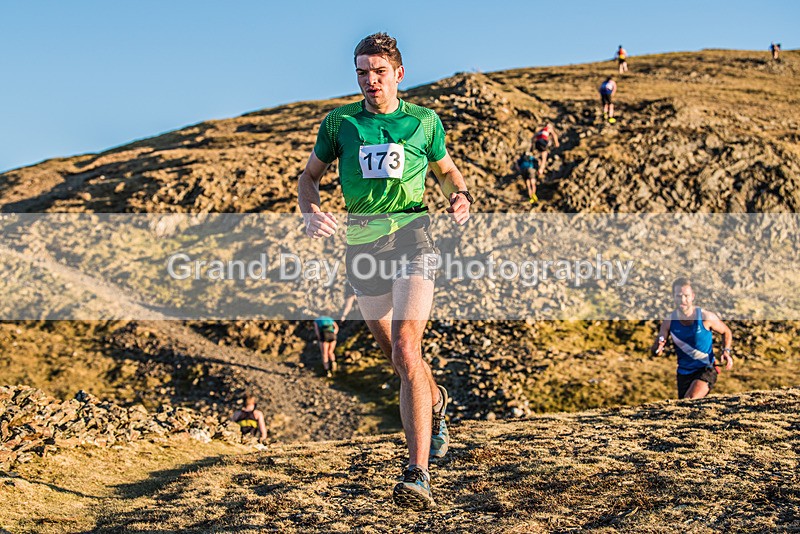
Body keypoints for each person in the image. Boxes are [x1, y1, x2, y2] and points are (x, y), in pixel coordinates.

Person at [297, 32, 471, 510]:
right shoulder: (340, 124)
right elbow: (308, 177)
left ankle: (418, 473)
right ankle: (435, 406)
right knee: (396, 358)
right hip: (362, 243)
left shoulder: (423, 122)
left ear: (398, 74)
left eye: (378, 71)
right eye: (361, 73)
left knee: (405, 345)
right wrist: (309, 209)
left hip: (413, 236)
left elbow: (447, 170)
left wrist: (460, 194)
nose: (369, 81)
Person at [652, 278, 734, 399]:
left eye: (686, 296)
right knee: (684, 410)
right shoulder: (669, 322)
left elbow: (726, 331)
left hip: (706, 368)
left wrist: (726, 351)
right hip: (683, 373)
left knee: (690, 399)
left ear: (693, 296)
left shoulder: (706, 317)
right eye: (679, 296)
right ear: (673, 297)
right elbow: (656, 352)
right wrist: (658, 348)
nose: (683, 300)